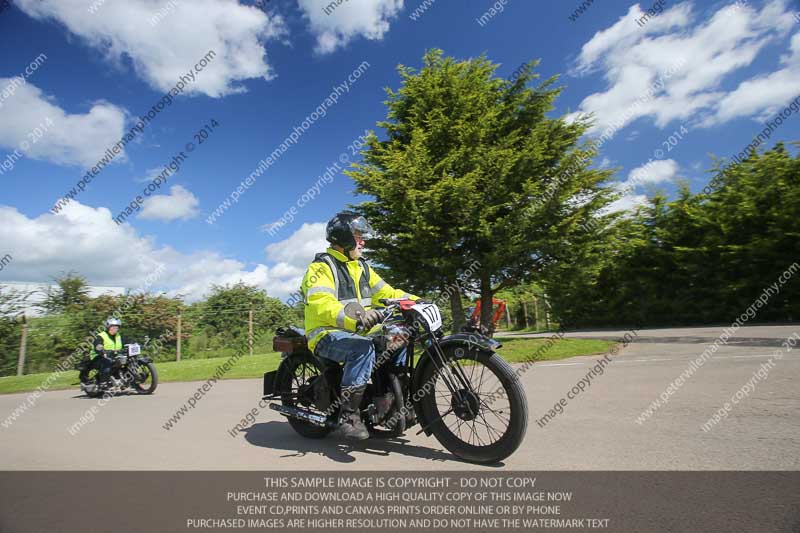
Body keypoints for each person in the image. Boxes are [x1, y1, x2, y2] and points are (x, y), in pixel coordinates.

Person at [301, 211, 418, 440]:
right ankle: (349, 415)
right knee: (362, 348)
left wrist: (416, 301)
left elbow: (389, 293)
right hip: (326, 334)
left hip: (358, 332)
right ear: (344, 237)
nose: (362, 241)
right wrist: (356, 318)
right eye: (357, 236)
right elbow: (321, 304)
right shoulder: (321, 268)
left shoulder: (362, 267)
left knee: (399, 339)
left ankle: (388, 401)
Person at [92, 318, 125, 385]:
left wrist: (135, 344)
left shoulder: (119, 336)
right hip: (98, 356)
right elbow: (97, 344)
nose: (115, 329)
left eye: (117, 327)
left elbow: (128, 340)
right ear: (108, 327)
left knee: (125, 360)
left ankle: (122, 378)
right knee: (107, 363)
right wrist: (101, 350)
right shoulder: (101, 336)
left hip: (113, 356)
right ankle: (103, 382)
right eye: (113, 327)